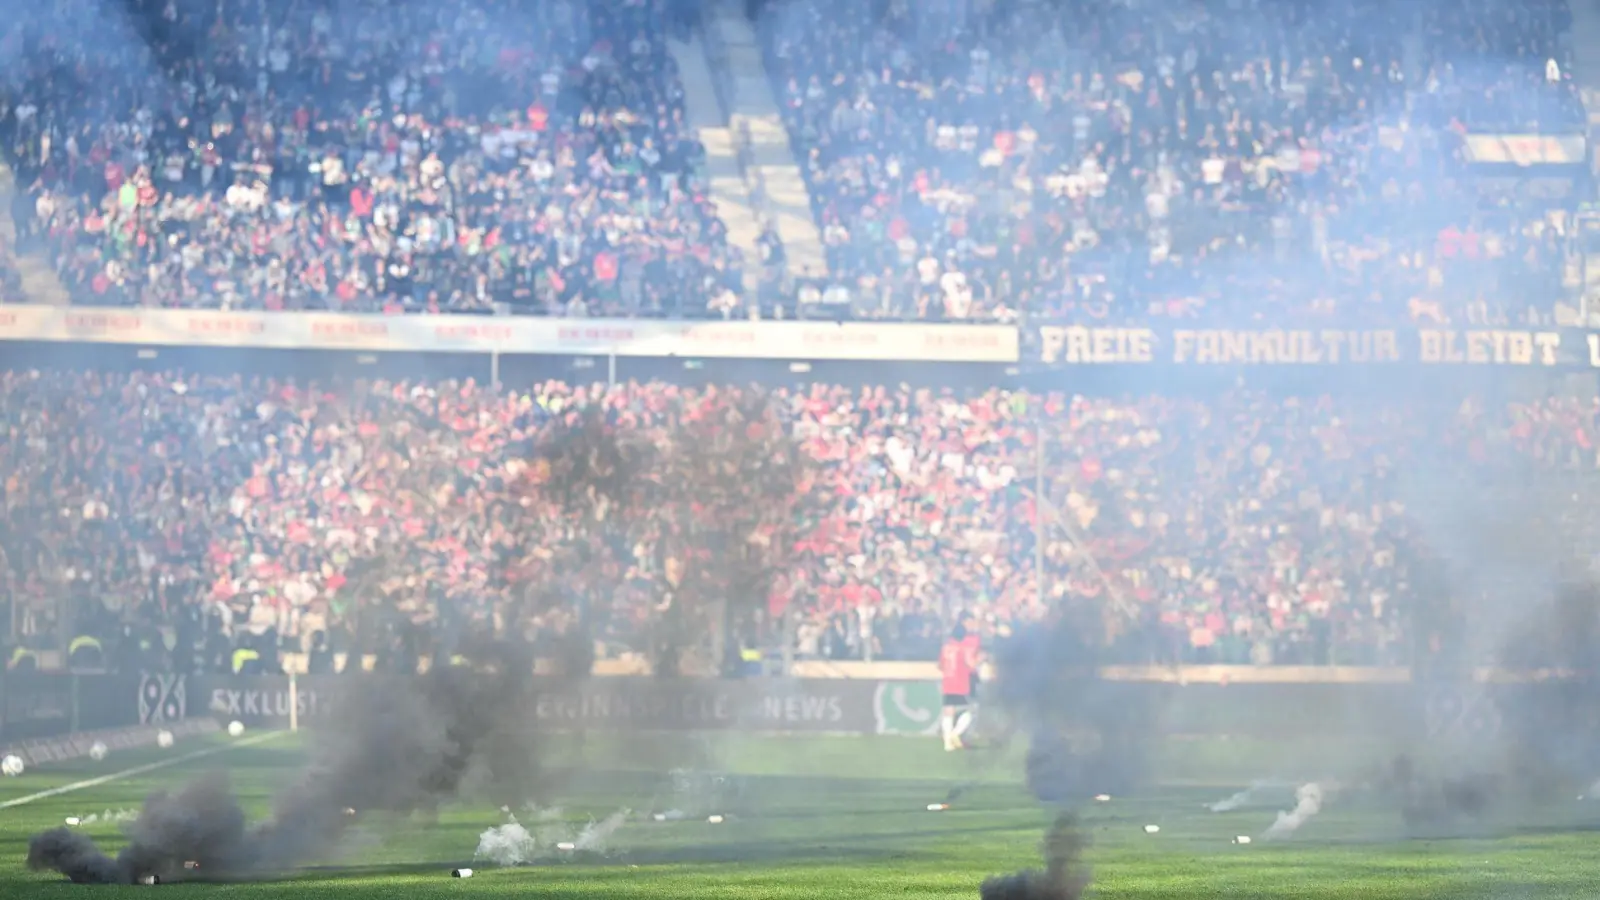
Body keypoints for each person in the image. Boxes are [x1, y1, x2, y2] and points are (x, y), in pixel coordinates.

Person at [939, 612, 984, 752]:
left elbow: (940, 666)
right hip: (963, 680)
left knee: (948, 710)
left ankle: (948, 742)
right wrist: (980, 659)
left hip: (948, 681)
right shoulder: (962, 647)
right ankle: (955, 734)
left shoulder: (946, 647)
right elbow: (970, 664)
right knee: (970, 710)